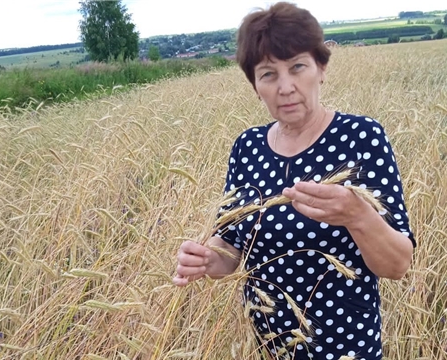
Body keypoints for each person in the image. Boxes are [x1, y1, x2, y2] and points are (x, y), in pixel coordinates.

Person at [173, 2, 416, 359]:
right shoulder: (247, 147)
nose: (285, 87)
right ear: (255, 85)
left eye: (297, 67)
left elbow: (398, 265)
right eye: (268, 74)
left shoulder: (361, 138)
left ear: (321, 68)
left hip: (346, 350)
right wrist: (208, 259)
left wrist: (357, 215)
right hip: (271, 345)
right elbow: (232, 246)